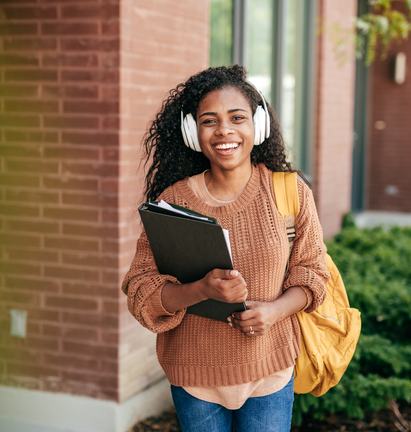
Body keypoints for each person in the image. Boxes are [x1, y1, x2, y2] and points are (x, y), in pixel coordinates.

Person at [121, 65, 329, 432]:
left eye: (237, 118)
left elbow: (313, 273)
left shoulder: (289, 192)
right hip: (196, 377)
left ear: (258, 125)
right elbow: (141, 291)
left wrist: (277, 311)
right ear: (192, 132)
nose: (224, 131)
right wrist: (200, 290)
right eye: (209, 121)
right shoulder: (173, 202)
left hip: (270, 373)